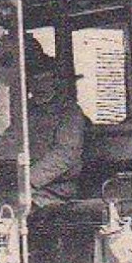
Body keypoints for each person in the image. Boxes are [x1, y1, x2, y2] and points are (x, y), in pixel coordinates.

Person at [24, 53, 87, 208]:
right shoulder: (27, 111)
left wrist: (29, 179)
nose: (38, 85)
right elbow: (11, 140)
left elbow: (65, 154)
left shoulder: (69, 112)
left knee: (18, 208)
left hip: (57, 189)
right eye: (34, 80)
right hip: (28, 186)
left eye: (44, 79)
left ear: (55, 82)